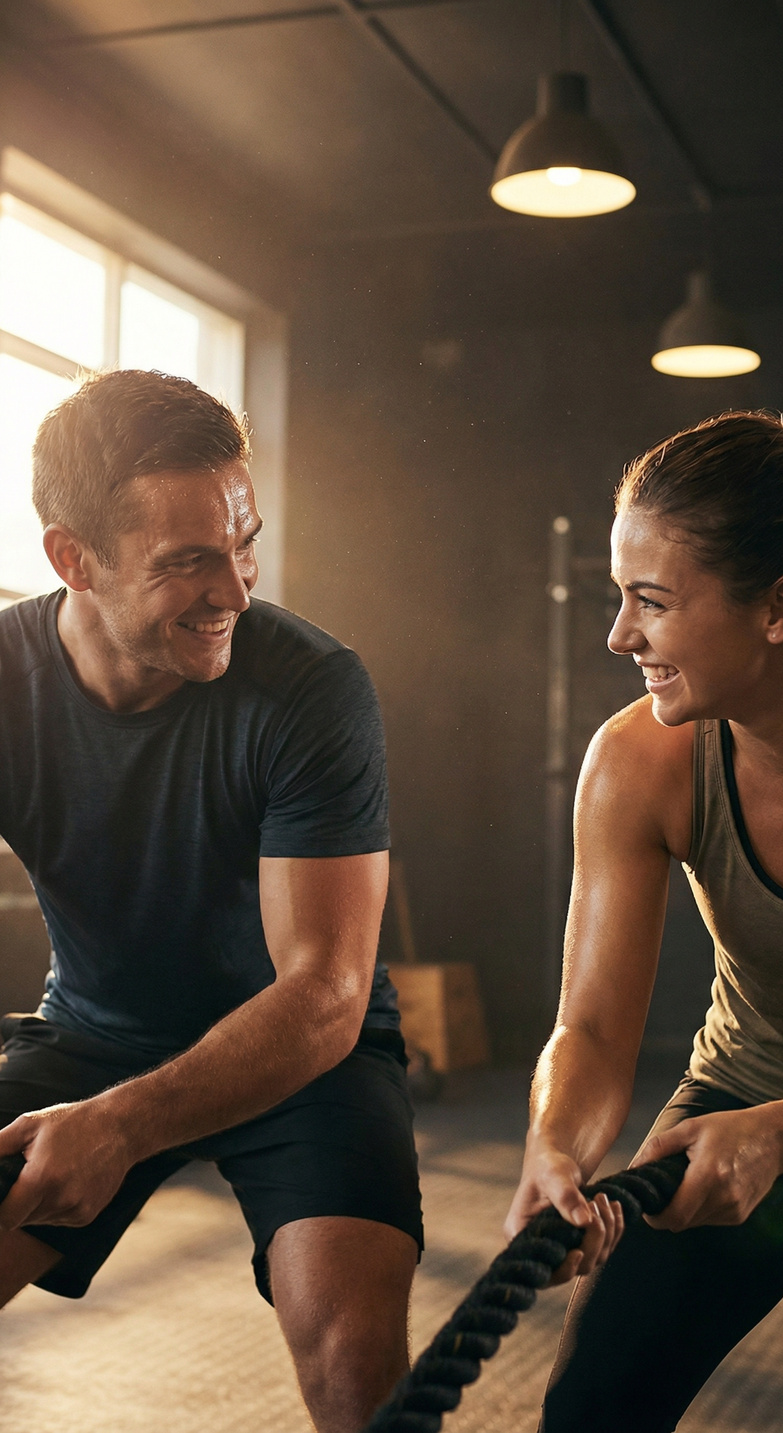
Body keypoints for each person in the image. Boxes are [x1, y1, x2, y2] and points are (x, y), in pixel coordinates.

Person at [0, 369, 423, 1433]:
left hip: (305, 1057)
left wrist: (125, 1125)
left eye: (243, 545)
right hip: (97, 1034)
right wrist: (105, 1108)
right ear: (71, 558)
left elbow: (325, 990)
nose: (233, 590)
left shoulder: (312, 685)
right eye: (188, 560)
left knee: (354, 1361)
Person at [505, 409, 783, 1432]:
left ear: (778, 607)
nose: (617, 634)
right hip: (746, 1088)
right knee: (594, 1402)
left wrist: (780, 1135)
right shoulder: (641, 758)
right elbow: (588, 1029)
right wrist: (558, 1148)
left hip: (770, 1120)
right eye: (616, 597)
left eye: (651, 601)